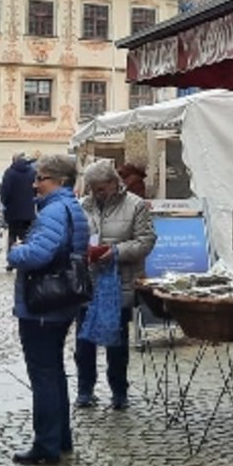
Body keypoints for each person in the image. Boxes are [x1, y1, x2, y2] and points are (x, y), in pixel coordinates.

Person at [6, 154, 88, 465]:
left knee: (43, 375)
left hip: (43, 302)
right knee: (54, 372)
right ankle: (60, 437)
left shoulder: (54, 211)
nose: (35, 183)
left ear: (60, 181)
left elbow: (39, 254)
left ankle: (46, 444)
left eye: (42, 178)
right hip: (62, 301)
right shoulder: (71, 208)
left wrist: (16, 252)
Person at [74, 160, 156, 411]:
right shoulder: (83, 206)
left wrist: (116, 251)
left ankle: (119, 392)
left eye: (100, 188)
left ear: (113, 183)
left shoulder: (135, 205)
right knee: (83, 342)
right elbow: (74, 237)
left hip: (119, 282)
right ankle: (85, 390)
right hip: (88, 283)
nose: (95, 194)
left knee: (116, 343)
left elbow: (146, 241)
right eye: (92, 188)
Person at [0, 152, 38, 254]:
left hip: (13, 210)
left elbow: (5, 191)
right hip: (28, 210)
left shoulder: (9, 172)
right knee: (26, 235)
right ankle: (25, 256)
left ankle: (11, 259)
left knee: (12, 234)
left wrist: (5, 202)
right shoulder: (32, 172)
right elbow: (36, 190)